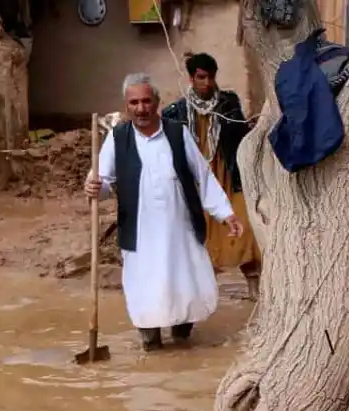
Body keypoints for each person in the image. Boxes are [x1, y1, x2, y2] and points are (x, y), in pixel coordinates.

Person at [83, 73, 243, 351]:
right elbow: (103, 181)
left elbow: (202, 175)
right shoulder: (117, 138)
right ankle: (151, 341)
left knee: (183, 283)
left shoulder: (177, 132)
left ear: (157, 102)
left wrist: (225, 213)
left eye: (146, 101)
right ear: (126, 105)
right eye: (134, 102)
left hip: (179, 228)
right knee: (145, 287)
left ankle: (182, 338)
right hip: (140, 230)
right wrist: (94, 187)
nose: (141, 108)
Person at [161, 53, 262, 300]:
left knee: (244, 229)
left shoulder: (228, 104)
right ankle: (202, 295)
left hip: (228, 176)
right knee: (200, 237)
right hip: (196, 183)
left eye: (210, 77)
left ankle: (254, 289)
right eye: (201, 77)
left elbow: (240, 136)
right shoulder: (176, 111)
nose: (206, 83)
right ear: (191, 79)